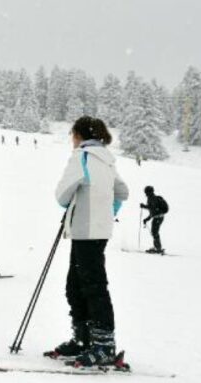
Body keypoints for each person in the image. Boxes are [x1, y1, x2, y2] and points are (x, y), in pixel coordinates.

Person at [46, 116, 129, 368]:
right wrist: (106, 212)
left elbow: (62, 195)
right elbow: (122, 192)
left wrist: (84, 207)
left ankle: (102, 345)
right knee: (80, 284)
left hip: (84, 230)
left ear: (79, 135)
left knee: (89, 286)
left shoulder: (82, 156)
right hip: (98, 231)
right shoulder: (107, 159)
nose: (72, 140)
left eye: (73, 135)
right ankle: (85, 339)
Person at [141, 186, 168, 254]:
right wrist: (147, 219)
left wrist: (144, 206)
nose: (146, 193)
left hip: (157, 218)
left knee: (155, 232)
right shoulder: (153, 198)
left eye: (146, 192)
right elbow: (153, 212)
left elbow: (152, 209)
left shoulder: (152, 198)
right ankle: (157, 247)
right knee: (154, 232)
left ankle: (158, 248)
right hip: (159, 217)